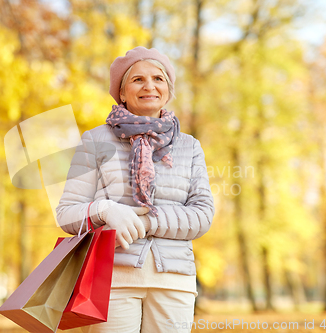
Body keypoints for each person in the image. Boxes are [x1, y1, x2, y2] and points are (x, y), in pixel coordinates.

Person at [56, 46, 215, 333]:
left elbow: (202, 215)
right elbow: (67, 214)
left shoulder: (189, 146)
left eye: (158, 78)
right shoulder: (95, 140)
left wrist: (144, 221)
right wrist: (105, 210)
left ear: (168, 89)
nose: (149, 86)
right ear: (122, 91)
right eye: (138, 79)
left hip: (175, 280)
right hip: (111, 279)